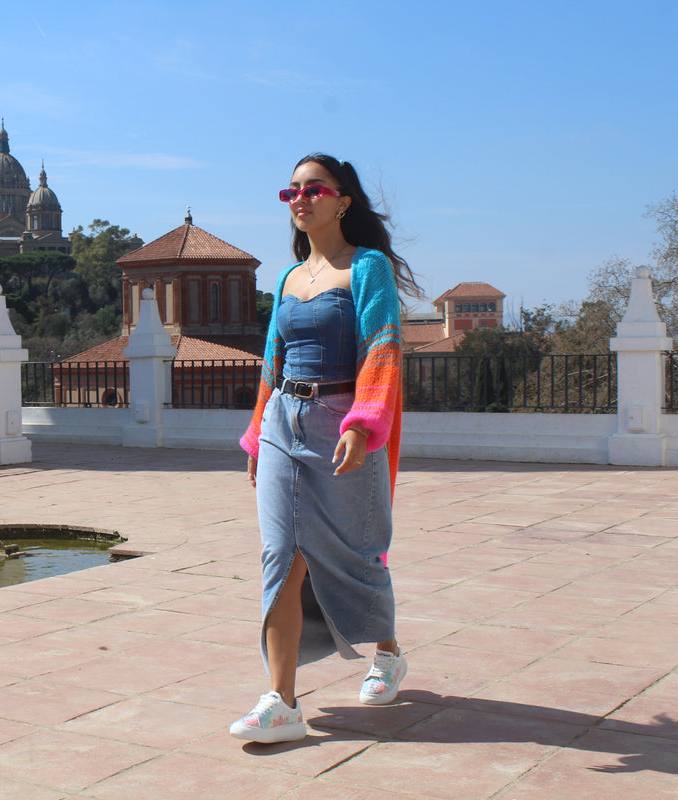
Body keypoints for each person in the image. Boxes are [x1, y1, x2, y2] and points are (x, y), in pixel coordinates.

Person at [230, 153, 422, 744]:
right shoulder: (288, 278)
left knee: (356, 550)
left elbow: (382, 349)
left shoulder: (367, 267)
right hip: (282, 427)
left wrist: (363, 425)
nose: (301, 199)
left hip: (341, 425)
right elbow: (273, 361)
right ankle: (281, 702)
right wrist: (257, 435)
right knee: (281, 556)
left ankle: (387, 652)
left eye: (314, 189)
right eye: (292, 191)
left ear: (343, 201)